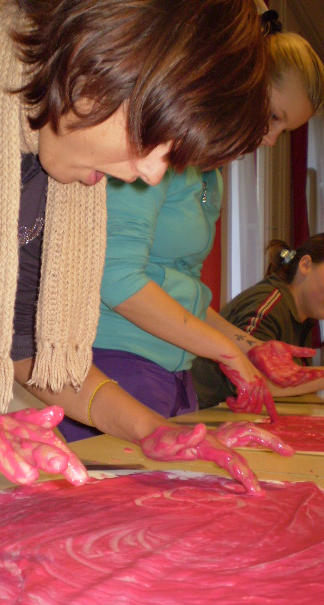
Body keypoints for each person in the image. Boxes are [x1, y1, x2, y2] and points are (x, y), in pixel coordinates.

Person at [0, 0, 285, 493]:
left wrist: (151, 430)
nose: (150, 174)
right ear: (102, 54)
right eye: (153, 137)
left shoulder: (49, 164)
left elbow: (27, 347)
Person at [56, 9, 324, 443]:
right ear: (240, 84)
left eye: (285, 129)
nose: (271, 139)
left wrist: (250, 346)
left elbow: (183, 293)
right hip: (115, 364)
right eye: (273, 116)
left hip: (175, 372)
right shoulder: (156, 151)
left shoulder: (208, 178)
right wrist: (226, 350)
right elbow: (115, 277)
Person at [193, 235, 324, 409]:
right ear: (305, 265)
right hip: (202, 412)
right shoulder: (269, 305)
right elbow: (249, 379)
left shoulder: (303, 316)